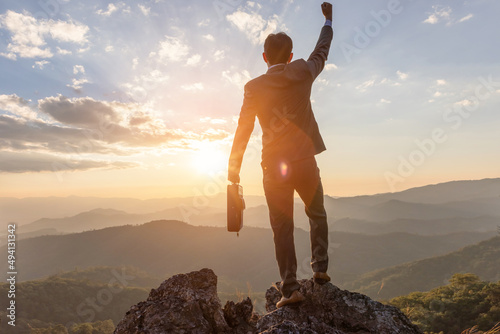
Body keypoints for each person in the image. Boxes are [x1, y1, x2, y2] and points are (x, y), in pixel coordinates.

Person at [228, 2, 333, 308]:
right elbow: (321, 52)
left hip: (274, 168)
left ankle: (290, 289)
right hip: (305, 162)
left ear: (264, 57)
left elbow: (243, 129)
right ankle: (320, 268)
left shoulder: (254, 88)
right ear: (289, 55)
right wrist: (328, 21)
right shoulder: (301, 71)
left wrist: (233, 168)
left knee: (282, 226)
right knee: (317, 213)